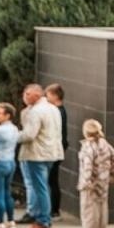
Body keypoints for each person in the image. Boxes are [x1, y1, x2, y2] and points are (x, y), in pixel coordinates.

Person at [17, 84, 63, 228]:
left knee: (39, 187)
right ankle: (39, 215)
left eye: (27, 93)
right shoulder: (53, 108)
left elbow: (29, 134)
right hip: (51, 153)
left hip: (36, 154)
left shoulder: (36, 112)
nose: (25, 96)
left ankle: (43, 219)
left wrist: (12, 136)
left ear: (37, 95)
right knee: (43, 186)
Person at [75, 119, 113, 228]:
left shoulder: (88, 147)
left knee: (89, 212)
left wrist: (85, 182)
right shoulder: (105, 144)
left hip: (91, 185)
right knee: (102, 210)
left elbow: (87, 167)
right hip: (103, 183)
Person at [46, 83, 68, 219]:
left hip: (55, 149)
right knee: (52, 179)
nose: (46, 98)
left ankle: (54, 210)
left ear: (55, 96)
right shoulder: (60, 110)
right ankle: (53, 209)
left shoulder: (58, 112)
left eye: (48, 95)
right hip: (58, 147)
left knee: (52, 180)